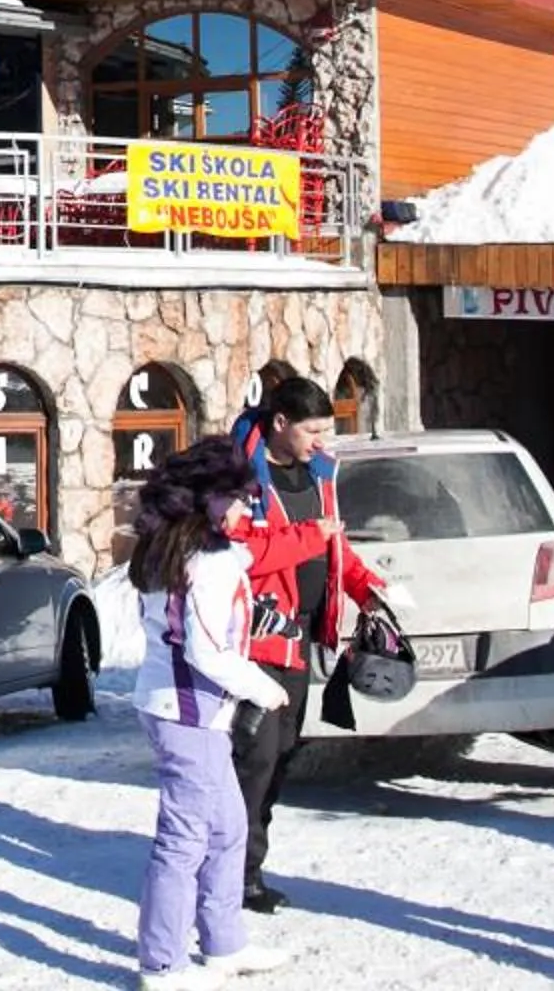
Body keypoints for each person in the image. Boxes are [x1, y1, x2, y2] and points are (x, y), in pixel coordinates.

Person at [128, 437, 294, 991]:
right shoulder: (204, 560)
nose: (245, 508)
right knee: (185, 838)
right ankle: (162, 963)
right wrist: (262, 688)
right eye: (235, 498)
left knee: (229, 826)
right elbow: (204, 649)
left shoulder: (168, 550)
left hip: (187, 708)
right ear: (203, 500)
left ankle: (223, 943)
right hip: (187, 712)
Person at [225, 370, 391, 913]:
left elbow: (331, 546)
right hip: (255, 643)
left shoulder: (319, 474)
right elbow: (240, 557)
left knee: (280, 759)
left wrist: (364, 588)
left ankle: (249, 865)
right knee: (254, 760)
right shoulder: (240, 477)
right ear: (280, 423)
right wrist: (306, 538)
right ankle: (234, 877)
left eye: (327, 429)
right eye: (313, 430)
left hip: (300, 641)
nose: (323, 441)